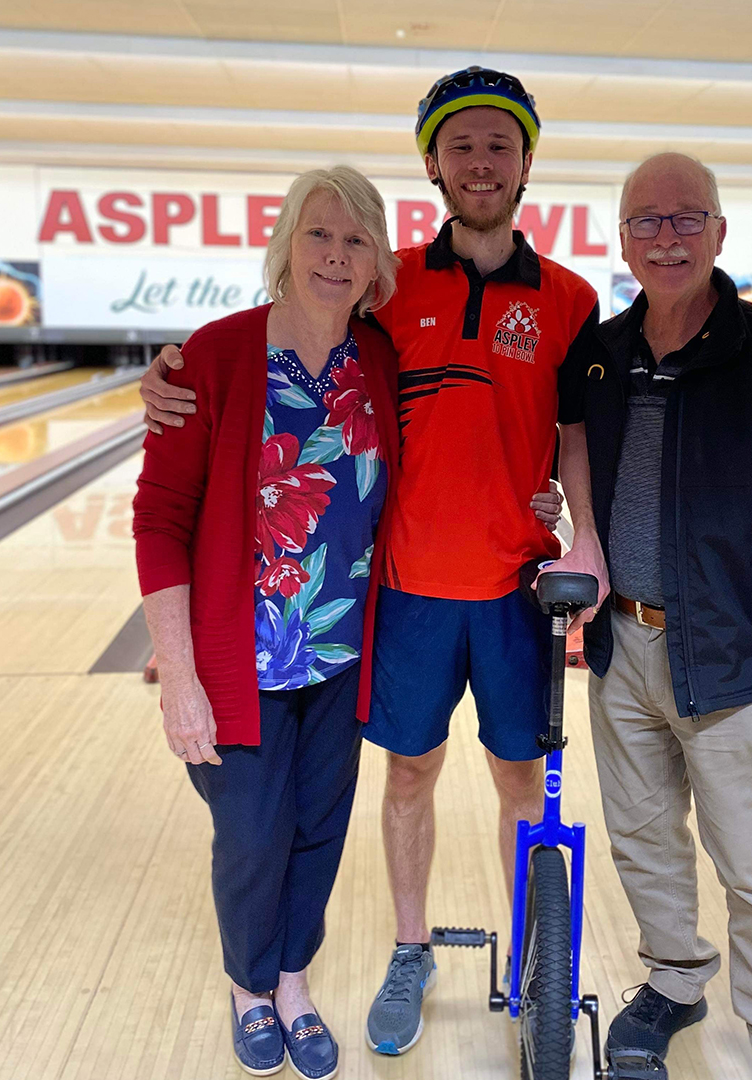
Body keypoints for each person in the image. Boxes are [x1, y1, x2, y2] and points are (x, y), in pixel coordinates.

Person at [137, 67, 609, 1060]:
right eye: (462, 145)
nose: (482, 162)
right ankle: (407, 951)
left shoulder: (567, 298)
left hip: (511, 592)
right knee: (407, 778)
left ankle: (537, 954)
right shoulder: (391, 286)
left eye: (500, 144)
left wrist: (579, 527)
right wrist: (167, 378)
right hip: (403, 597)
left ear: (527, 159)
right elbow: (270, 359)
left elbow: (570, 429)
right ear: (432, 161)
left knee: (519, 788)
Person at [133, 165, 402, 1080]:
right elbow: (160, 522)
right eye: (319, 234)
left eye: (356, 239)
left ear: (376, 261)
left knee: (321, 826)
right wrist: (178, 676)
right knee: (252, 833)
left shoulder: (380, 359)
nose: (336, 254)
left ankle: (293, 981)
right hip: (236, 661)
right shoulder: (211, 356)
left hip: (338, 655)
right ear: (286, 242)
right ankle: (249, 989)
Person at [582, 152, 752, 1080]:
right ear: (622, 242)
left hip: (730, 656)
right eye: (645, 222)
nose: (666, 237)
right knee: (643, 840)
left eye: (686, 218)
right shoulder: (603, 356)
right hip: (623, 648)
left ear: (720, 232)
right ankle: (676, 980)